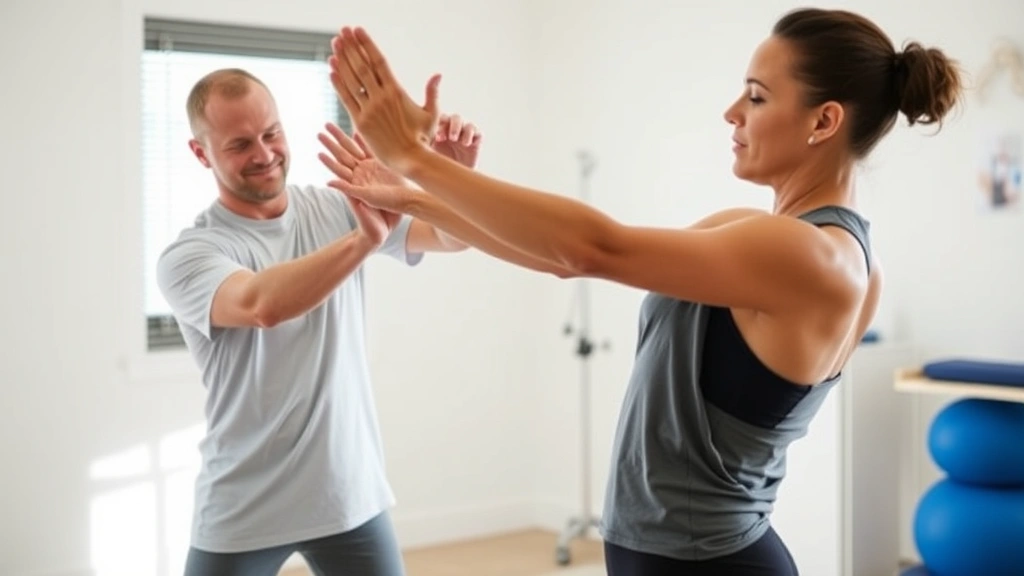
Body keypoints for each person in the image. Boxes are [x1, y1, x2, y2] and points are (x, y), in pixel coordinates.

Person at [316, 7, 963, 575]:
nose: (731, 113)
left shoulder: (813, 257)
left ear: (823, 121)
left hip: (706, 563)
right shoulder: (763, 236)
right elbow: (563, 257)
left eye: (757, 97)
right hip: (668, 554)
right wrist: (416, 194)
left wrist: (413, 158)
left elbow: (591, 247)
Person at [155, 67, 484, 576]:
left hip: (347, 495)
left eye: (270, 134)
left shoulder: (337, 206)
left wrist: (453, 179)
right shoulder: (191, 254)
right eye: (240, 144)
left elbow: (450, 238)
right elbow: (263, 305)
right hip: (245, 505)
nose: (264, 154)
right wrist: (362, 242)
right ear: (202, 154)